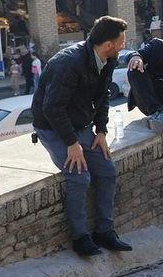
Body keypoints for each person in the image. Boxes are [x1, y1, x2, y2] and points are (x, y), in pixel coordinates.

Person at [31, 16, 133, 257]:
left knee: (107, 170)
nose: (123, 46)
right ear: (108, 44)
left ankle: (104, 232)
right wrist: (71, 144)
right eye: (121, 42)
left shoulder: (108, 59)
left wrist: (101, 130)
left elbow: (102, 97)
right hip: (53, 128)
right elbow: (52, 108)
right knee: (79, 177)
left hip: (81, 125)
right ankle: (80, 238)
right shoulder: (69, 63)